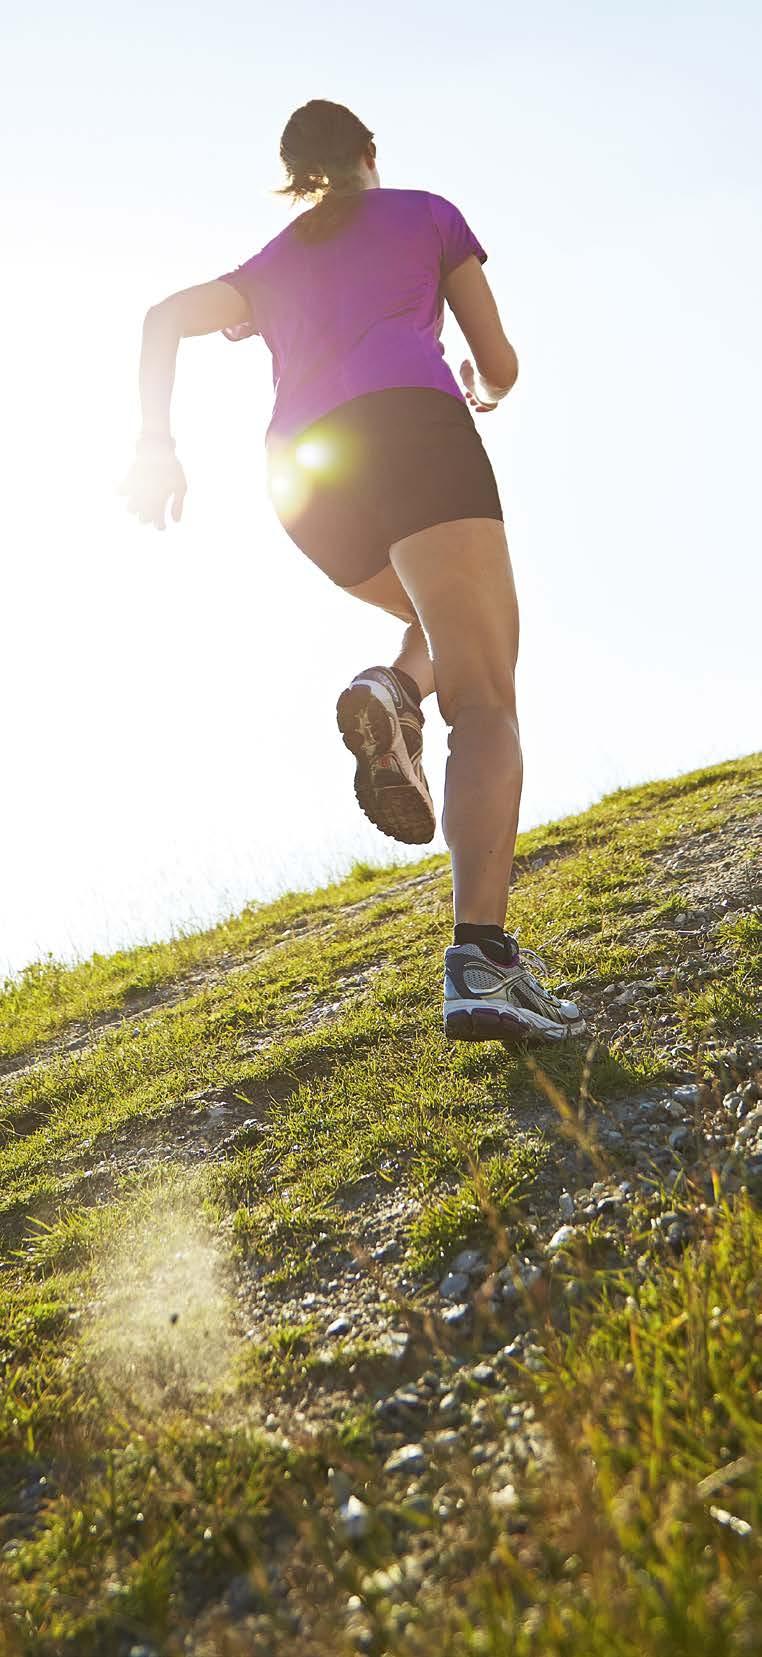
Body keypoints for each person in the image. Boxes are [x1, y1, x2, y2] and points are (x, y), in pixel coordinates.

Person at [120, 98, 586, 1046]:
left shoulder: (273, 262)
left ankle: (396, 685)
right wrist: (478, 389)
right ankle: (482, 965)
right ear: (370, 152)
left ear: (294, 175)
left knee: (441, 632)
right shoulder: (425, 214)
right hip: (413, 434)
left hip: (304, 480)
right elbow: (496, 361)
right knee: (488, 696)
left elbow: (162, 316)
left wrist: (156, 444)